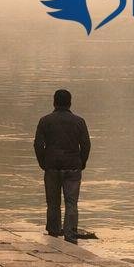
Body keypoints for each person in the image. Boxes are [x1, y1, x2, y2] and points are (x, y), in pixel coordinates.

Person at [33, 88, 91, 243]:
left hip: (51, 167)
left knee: (53, 203)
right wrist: (81, 162)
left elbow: (38, 145)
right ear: (70, 103)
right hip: (73, 167)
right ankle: (70, 234)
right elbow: (86, 145)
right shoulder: (79, 121)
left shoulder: (45, 121)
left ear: (54, 102)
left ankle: (53, 232)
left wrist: (43, 163)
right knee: (71, 203)